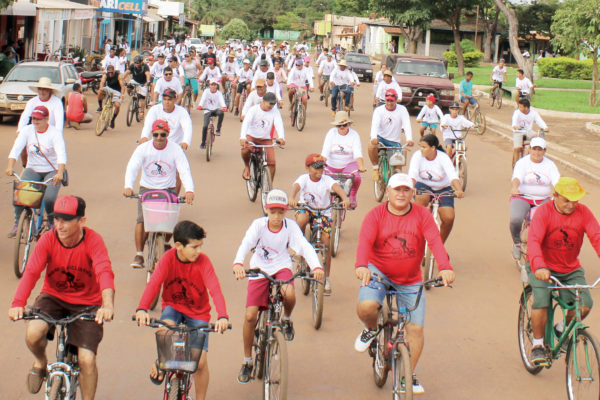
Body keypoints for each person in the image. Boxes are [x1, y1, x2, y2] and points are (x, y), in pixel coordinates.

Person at [353, 173, 455, 395]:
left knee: (415, 330)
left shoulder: (422, 215)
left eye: (406, 190)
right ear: (387, 191)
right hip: (378, 272)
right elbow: (365, 242)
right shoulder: (375, 215)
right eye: (397, 189)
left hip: (410, 279)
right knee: (367, 307)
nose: (401, 194)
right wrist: (361, 265)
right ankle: (371, 330)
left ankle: (406, 375)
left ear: (413, 193)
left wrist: (445, 267)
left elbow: (435, 241)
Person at [8, 195, 115, 399]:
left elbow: (104, 272)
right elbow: (31, 272)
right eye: (56, 219)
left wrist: (107, 305)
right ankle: (40, 362)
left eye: (65, 220)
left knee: (86, 359)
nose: (59, 225)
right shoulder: (48, 239)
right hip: (53, 297)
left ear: (81, 221)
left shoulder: (94, 240)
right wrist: (17, 304)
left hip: (87, 304)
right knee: (33, 333)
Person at [232, 189, 324, 383]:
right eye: (272, 212)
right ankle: (247, 360)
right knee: (250, 316)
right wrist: (238, 263)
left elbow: (304, 246)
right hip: (259, 269)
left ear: (285, 212)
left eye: (280, 212)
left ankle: (287, 319)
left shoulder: (290, 227)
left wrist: (316, 266)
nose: (276, 216)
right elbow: (245, 243)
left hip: (281, 266)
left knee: (289, 294)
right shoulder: (258, 225)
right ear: (266, 210)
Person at [135, 220, 229, 400]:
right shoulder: (167, 259)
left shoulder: (203, 262)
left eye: (200, 246)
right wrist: (142, 309)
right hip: (173, 307)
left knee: (200, 362)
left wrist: (222, 316)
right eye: (194, 247)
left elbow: (215, 289)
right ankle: (161, 360)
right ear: (178, 246)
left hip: (198, 313)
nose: (199, 251)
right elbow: (154, 284)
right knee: (165, 329)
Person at [526, 177, 600, 366]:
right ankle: (537, 345)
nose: (572, 204)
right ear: (555, 196)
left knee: (584, 305)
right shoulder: (544, 213)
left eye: (575, 200)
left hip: (570, 268)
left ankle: (561, 328)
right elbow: (533, 241)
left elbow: (596, 236)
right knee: (542, 301)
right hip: (543, 266)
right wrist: (540, 266)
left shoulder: (583, 213)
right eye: (567, 200)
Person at [124, 120, 194, 269]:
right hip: (147, 188)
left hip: (167, 189)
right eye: (155, 134)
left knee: (171, 219)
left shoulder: (175, 149)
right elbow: (133, 167)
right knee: (141, 220)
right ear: (152, 134)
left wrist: (189, 190)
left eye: (162, 134)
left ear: (168, 134)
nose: (159, 137)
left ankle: (166, 243)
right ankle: (139, 254)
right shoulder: (143, 149)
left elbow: (184, 170)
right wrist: (128, 186)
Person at [289, 154, 350, 294]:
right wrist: (292, 198)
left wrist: (345, 198)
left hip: (323, 213)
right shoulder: (303, 179)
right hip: (306, 209)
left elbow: (337, 188)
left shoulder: (327, 180)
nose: (319, 171)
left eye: (321, 167)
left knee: (326, 243)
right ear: (307, 168)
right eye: (316, 168)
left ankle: (326, 278)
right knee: (302, 219)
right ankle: (298, 245)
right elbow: (296, 187)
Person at [6, 105, 66, 237]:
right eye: (33, 119)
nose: (35, 122)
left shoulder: (54, 133)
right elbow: (15, 150)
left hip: (52, 171)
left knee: (49, 198)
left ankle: (51, 222)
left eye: (38, 119)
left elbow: (61, 155)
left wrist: (60, 173)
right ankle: (18, 224)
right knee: (20, 193)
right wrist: (10, 166)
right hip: (33, 169)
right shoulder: (27, 131)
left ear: (46, 119)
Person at [510, 137, 560, 260]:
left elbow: (557, 181)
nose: (537, 153)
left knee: (550, 224)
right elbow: (517, 177)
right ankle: (517, 243)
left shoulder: (550, 165)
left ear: (544, 151)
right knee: (515, 219)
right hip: (522, 197)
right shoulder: (522, 162)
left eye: (540, 150)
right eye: (534, 149)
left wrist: (560, 193)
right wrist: (515, 187)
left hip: (543, 199)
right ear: (529, 149)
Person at [408, 134, 465, 243]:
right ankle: (417, 232)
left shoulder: (443, 157)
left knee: (448, 218)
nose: (421, 149)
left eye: (424, 147)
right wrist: (411, 187)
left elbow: (452, 176)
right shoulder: (417, 156)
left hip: (443, 188)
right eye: (420, 146)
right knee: (422, 198)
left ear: (433, 148)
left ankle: (439, 247)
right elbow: (413, 174)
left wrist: (459, 190)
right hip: (423, 185)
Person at [321, 111, 366, 208]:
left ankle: (352, 195)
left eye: (344, 125)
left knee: (357, 177)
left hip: (348, 165)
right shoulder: (331, 133)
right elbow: (325, 152)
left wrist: (361, 166)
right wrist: (321, 164)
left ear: (349, 124)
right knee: (322, 177)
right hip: (332, 165)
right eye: (339, 125)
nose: (342, 127)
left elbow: (357, 154)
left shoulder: (354, 135)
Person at [368, 89, 413, 181]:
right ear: (385, 100)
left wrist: (409, 139)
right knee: (371, 146)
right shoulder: (379, 110)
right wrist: (373, 138)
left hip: (394, 142)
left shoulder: (402, 110)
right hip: (380, 139)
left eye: (392, 100)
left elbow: (407, 125)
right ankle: (376, 168)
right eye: (388, 100)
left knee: (398, 168)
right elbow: (374, 125)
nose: (389, 103)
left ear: (396, 100)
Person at [240, 92, 285, 180]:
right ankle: (247, 167)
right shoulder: (253, 110)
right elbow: (246, 123)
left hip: (266, 139)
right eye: (270, 103)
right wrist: (242, 137)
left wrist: (281, 137)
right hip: (251, 137)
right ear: (263, 101)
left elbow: (279, 124)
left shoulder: (275, 111)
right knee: (245, 150)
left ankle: (269, 187)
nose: (271, 106)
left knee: (272, 163)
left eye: (273, 103)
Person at [140, 88, 193, 153]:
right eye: (164, 99)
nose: (167, 102)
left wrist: (186, 141)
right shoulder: (154, 109)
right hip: (158, 144)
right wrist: (144, 136)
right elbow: (148, 124)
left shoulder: (182, 112)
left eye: (169, 100)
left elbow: (187, 127)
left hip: (175, 147)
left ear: (175, 100)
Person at [511, 98, 548, 167]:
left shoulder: (533, 113)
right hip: (518, 132)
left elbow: (539, 121)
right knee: (517, 148)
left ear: (526, 107)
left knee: (538, 137)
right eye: (519, 106)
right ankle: (516, 165)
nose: (519, 108)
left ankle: (533, 154)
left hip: (528, 131)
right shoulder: (517, 112)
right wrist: (515, 126)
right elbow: (514, 121)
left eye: (521, 107)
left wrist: (545, 127)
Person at [197, 79, 227, 149]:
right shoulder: (206, 91)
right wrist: (200, 105)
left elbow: (221, 101)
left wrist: (224, 107)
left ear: (217, 86)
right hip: (207, 111)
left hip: (216, 110)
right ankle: (203, 142)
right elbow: (203, 99)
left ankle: (218, 129)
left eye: (215, 85)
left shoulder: (219, 93)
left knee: (221, 113)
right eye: (212, 84)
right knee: (205, 126)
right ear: (209, 85)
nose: (213, 86)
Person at [97, 65, 124, 129]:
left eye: (112, 72)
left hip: (117, 92)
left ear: (114, 71)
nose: (110, 74)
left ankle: (113, 120)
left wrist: (122, 94)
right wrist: (101, 88)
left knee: (117, 106)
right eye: (109, 72)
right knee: (100, 91)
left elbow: (122, 86)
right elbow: (102, 82)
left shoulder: (118, 75)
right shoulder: (105, 75)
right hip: (108, 89)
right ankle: (100, 107)